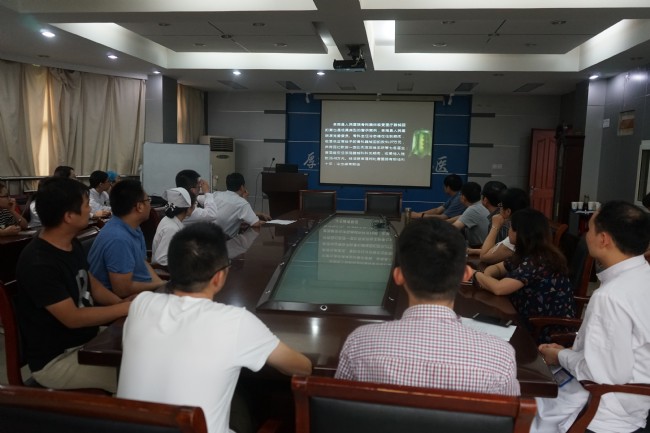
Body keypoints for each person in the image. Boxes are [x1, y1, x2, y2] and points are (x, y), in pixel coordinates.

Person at [117, 222, 312, 433]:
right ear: (219, 277)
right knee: (256, 401)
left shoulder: (141, 305)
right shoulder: (236, 322)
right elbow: (302, 368)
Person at [335, 218, 520, 396]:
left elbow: (340, 408)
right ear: (465, 275)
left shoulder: (359, 343)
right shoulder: (500, 357)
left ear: (398, 276)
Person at [533, 201, 650, 433]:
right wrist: (571, 352)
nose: (586, 235)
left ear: (603, 239)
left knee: (520, 410)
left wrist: (559, 355)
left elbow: (603, 374)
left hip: (605, 411)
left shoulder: (611, 296)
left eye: (589, 229)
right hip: (634, 402)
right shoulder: (642, 276)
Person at [13, 177, 129, 392]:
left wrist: (121, 303)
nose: (90, 209)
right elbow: (73, 318)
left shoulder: (70, 242)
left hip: (87, 340)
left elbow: (89, 280)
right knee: (138, 373)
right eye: (85, 205)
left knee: (143, 346)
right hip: (56, 360)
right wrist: (124, 308)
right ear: (68, 216)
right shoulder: (38, 262)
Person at [473, 208, 576, 342]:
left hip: (543, 329)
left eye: (511, 228)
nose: (508, 231)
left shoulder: (538, 261)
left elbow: (499, 289)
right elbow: (497, 268)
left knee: (481, 333)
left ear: (520, 233)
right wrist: (487, 276)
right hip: (522, 315)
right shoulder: (527, 252)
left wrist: (476, 275)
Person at [88, 179, 165, 297]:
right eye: (148, 200)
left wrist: (161, 284)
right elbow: (123, 290)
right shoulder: (118, 239)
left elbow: (143, 263)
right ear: (139, 207)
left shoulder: (133, 228)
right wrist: (160, 285)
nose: (150, 205)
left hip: (143, 293)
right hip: (123, 301)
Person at [479, 187, 530, 265]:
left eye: (501, 205)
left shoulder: (514, 233)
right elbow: (498, 250)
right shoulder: (528, 225)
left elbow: (484, 257)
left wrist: (495, 227)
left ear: (508, 211)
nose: (499, 208)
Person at [213, 172, 270, 238]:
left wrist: (260, 214)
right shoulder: (242, 203)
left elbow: (233, 211)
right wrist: (270, 223)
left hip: (208, 238)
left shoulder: (216, 194)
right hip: (225, 242)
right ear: (242, 187)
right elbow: (256, 223)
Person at [151, 187, 196, 267]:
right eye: (195, 204)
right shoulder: (171, 228)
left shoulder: (169, 220)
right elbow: (161, 260)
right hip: (165, 273)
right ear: (189, 208)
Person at [451, 181, 489, 247]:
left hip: (479, 248)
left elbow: (452, 229)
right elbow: (462, 217)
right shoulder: (479, 205)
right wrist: (445, 221)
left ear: (463, 197)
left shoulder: (473, 209)